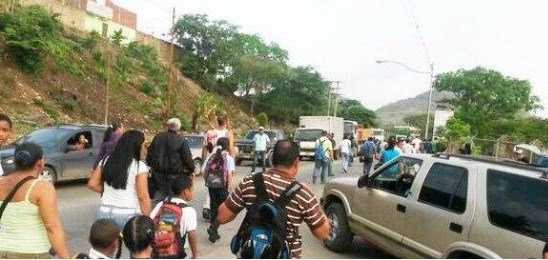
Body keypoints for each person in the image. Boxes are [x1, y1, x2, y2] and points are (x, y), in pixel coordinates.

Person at [216, 140, 330, 259]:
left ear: (272, 159)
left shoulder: (249, 182)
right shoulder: (303, 193)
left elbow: (222, 217)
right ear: (296, 162)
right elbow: (323, 233)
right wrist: (316, 203)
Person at [0, 142, 72, 259]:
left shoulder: (1, 182)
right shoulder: (42, 188)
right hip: (31, 252)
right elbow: (52, 227)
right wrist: (66, 257)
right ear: (40, 163)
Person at [87, 130, 152, 228]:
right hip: (129, 214)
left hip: (104, 212)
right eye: (144, 144)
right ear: (137, 145)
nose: (144, 148)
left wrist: (109, 191)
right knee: (130, 243)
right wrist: (148, 220)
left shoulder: (106, 160)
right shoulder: (139, 166)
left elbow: (92, 184)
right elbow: (143, 196)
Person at [146, 118, 195, 203]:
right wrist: (191, 170)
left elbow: (150, 153)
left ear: (168, 126)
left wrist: (152, 165)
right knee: (173, 201)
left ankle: (155, 214)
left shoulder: (158, 137)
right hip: (175, 177)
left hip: (158, 176)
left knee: (157, 200)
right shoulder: (181, 140)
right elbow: (187, 158)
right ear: (178, 127)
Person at [150, 176, 198, 259]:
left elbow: (149, 222)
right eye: (192, 189)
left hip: (157, 252)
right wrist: (195, 255)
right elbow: (192, 234)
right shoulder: (189, 210)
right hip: (176, 253)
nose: (193, 192)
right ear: (186, 192)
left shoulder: (161, 204)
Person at [201, 115, 235, 221]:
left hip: (211, 161)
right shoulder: (228, 133)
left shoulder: (210, 132)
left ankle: (207, 208)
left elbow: (205, 148)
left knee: (211, 185)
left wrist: (204, 161)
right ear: (225, 122)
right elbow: (231, 148)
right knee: (221, 188)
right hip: (223, 162)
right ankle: (218, 215)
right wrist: (232, 161)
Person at [202, 137, 234, 243]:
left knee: (213, 206)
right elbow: (229, 174)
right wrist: (229, 187)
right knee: (222, 209)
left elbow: (204, 171)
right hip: (222, 187)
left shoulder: (211, 156)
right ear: (228, 146)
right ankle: (214, 228)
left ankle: (213, 230)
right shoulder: (228, 158)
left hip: (211, 186)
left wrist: (209, 182)